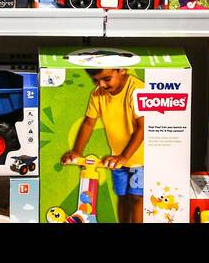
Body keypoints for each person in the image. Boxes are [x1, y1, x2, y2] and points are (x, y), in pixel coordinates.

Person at [61, 67, 146, 223]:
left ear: (122, 69)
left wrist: (124, 156)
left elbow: (143, 127)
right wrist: (77, 151)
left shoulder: (137, 90)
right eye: (96, 80)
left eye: (106, 79)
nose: (101, 85)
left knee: (136, 197)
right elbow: (88, 123)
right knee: (122, 196)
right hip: (117, 158)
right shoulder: (98, 94)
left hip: (140, 158)